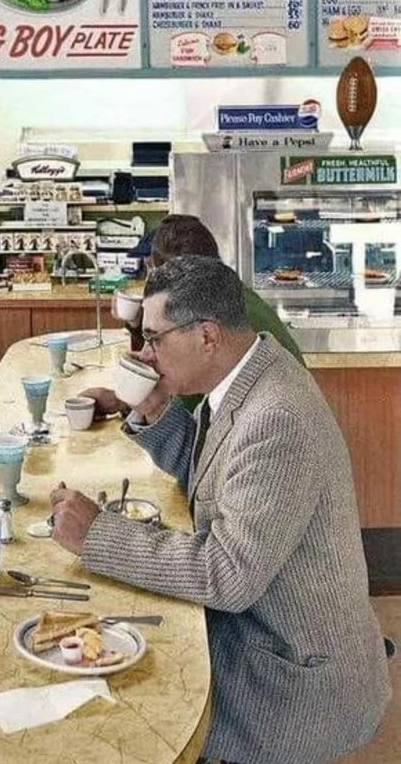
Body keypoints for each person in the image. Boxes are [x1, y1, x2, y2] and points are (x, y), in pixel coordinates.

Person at [51, 255, 390, 764]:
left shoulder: (276, 418)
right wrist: (156, 410)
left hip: (291, 677)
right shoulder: (248, 375)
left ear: (207, 335)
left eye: (155, 339)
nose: (146, 354)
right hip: (267, 635)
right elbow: (218, 480)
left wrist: (99, 535)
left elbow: (227, 574)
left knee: (123, 712)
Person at [87, 215, 303, 418]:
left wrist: (127, 400)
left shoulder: (212, 322)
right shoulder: (229, 297)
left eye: (154, 273)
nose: (147, 355)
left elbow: (186, 413)